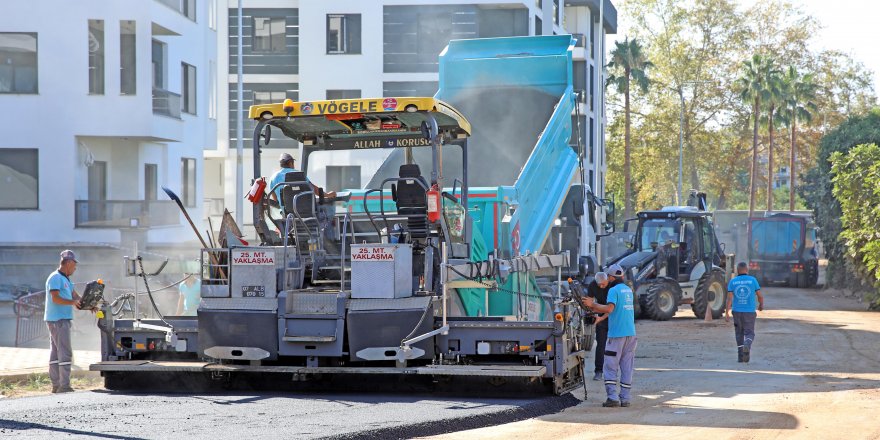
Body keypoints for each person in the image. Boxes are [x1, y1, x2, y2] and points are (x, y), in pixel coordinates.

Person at [583, 264, 637, 408]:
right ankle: (625, 398)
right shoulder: (628, 290)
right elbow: (616, 309)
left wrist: (592, 304)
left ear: (611, 278)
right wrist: (601, 318)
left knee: (610, 366)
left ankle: (612, 397)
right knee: (626, 367)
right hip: (630, 334)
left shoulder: (613, 290)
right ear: (623, 277)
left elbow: (609, 308)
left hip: (617, 335)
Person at [44, 250, 82, 393]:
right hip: (58, 320)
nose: (75, 268)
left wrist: (88, 304)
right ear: (68, 263)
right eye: (74, 265)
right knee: (65, 352)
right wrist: (73, 302)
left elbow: (75, 296)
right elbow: (55, 298)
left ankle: (56, 385)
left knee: (55, 353)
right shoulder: (55, 278)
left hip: (57, 320)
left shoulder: (66, 279)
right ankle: (64, 386)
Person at [268, 152, 335, 211]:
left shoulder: (273, 178)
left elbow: (276, 200)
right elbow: (315, 190)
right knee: (327, 210)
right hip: (306, 211)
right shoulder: (299, 174)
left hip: (287, 214)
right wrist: (328, 195)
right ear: (291, 163)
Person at [725, 262, 764, 363]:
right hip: (749, 312)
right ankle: (747, 344)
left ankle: (740, 357)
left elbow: (729, 299)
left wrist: (727, 313)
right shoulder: (753, 280)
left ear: (737, 270)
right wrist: (761, 305)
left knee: (739, 333)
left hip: (737, 311)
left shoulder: (733, 282)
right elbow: (760, 296)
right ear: (747, 270)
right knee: (749, 333)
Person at [584, 272, 610, 381]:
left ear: (607, 280)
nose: (601, 287)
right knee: (600, 344)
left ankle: (614, 371)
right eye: (599, 285)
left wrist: (601, 312)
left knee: (616, 345)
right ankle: (598, 371)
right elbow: (589, 302)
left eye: (603, 284)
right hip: (600, 315)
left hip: (613, 315)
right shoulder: (593, 285)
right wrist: (591, 312)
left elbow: (612, 308)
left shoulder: (613, 286)